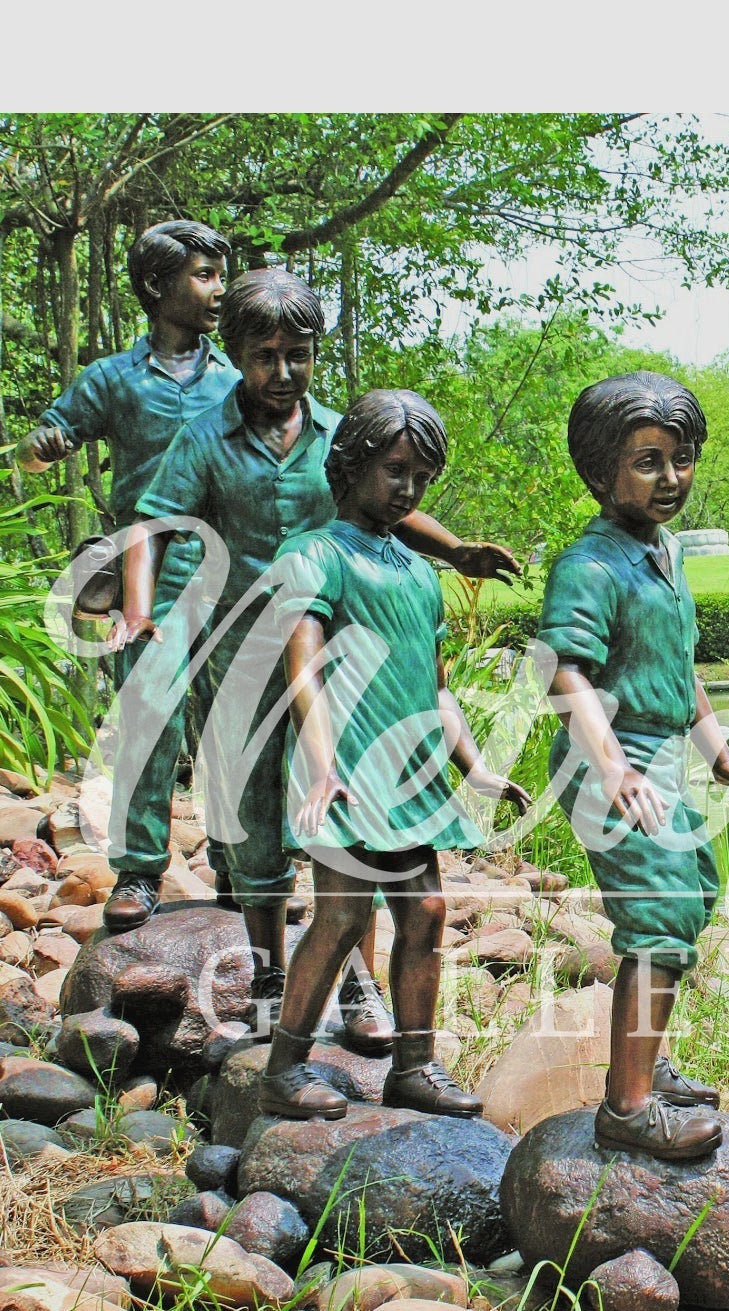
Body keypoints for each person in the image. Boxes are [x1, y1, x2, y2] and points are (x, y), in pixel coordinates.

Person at [102, 268, 520, 1052]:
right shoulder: (205, 437)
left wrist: (456, 550)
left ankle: (360, 985)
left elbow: (389, 499)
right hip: (241, 650)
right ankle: (266, 969)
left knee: (352, 826)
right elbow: (152, 526)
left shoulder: (339, 432)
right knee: (253, 813)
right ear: (237, 356)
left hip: (334, 649)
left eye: (300, 354)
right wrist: (138, 611)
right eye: (267, 355)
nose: (285, 372)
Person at [259, 390, 527, 1119]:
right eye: (395, 470)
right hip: (343, 767)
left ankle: (414, 1066)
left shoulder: (417, 574)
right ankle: (283, 1070)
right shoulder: (314, 554)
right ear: (349, 463)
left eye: (421, 477)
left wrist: (475, 766)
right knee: (342, 916)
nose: (407, 488)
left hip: (407, 773)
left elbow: (436, 690)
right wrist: (320, 763)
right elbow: (303, 669)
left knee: (429, 911)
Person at [538, 371, 729, 1160]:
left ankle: (649, 1061)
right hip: (607, 757)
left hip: (659, 758)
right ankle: (627, 1108)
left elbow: (681, 668)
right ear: (601, 470)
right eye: (648, 461)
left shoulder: (665, 552)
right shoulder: (591, 565)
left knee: (690, 893)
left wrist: (721, 756)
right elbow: (564, 673)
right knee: (659, 914)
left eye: (681, 458)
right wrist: (612, 769)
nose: (670, 478)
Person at [17, 219, 236, 619]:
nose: (220, 290)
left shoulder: (235, 380)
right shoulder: (111, 377)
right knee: (142, 681)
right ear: (155, 285)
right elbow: (32, 456)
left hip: (221, 574)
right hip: (141, 571)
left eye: (223, 276)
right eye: (205, 276)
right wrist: (39, 447)